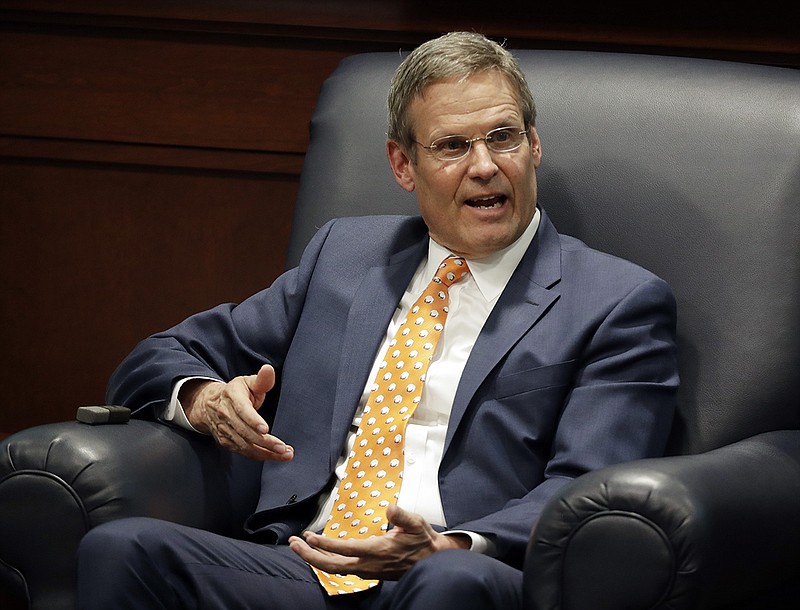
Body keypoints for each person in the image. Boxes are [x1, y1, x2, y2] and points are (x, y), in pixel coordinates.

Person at [77, 31, 679, 609]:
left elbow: (589, 491)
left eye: (504, 137)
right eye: (452, 146)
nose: (486, 166)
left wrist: (452, 545)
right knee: (122, 548)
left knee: (448, 584)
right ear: (402, 164)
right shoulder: (345, 258)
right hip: (303, 560)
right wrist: (206, 399)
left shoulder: (616, 303)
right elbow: (162, 353)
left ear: (535, 146)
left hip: (461, 569)